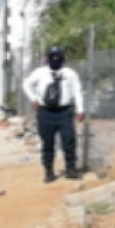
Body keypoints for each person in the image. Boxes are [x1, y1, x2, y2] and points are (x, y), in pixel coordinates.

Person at [22, 46, 85, 183]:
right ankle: (49, 171)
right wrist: (33, 99)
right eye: (52, 57)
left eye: (58, 57)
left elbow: (77, 92)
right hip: (46, 112)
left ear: (63, 58)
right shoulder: (40, 72)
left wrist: (80, 109)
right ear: (47, 58)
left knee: (69, 140)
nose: (55, 60)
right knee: (48, 143)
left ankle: (70, 169)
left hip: (64, 112)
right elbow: (26, 84)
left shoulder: (70, 74)